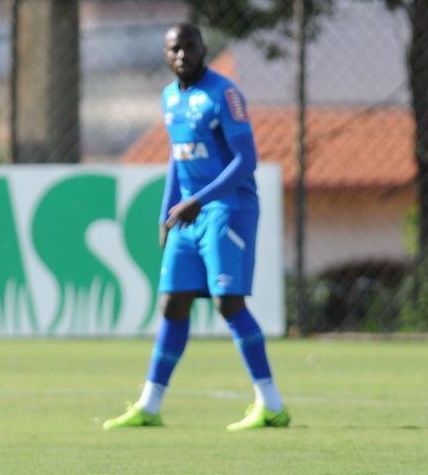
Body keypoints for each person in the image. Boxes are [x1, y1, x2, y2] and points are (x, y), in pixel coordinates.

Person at [103, 23, 290, 432]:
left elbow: (246, 161)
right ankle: (150, 406)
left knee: (228, 303)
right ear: (165, 55)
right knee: (173, 304)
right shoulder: (169, 98)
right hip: (188, 214)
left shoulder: (224, 95)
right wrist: (165, 213)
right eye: (174, 49)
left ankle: (271, 404)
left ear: (203, 48)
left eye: (189, 47)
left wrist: (197, 201)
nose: (182, 55)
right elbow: (178, 158)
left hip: (228, 208)